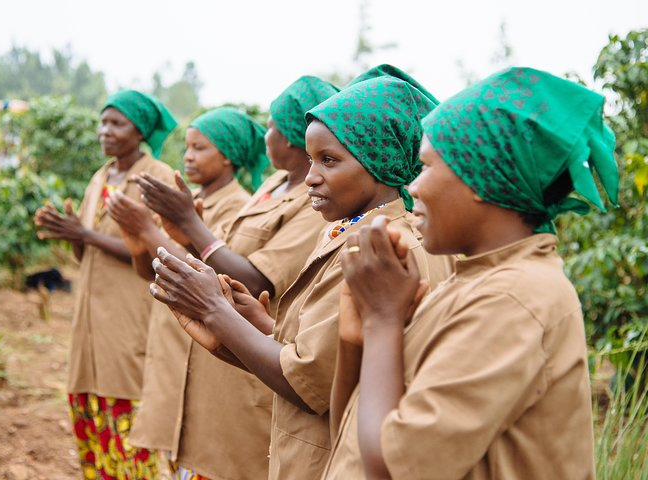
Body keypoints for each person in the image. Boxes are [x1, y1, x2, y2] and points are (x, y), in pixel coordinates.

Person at [150, 66, 454, 479]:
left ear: (378, 160)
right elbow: (328, 355)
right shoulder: (355, 230)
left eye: (329, 160)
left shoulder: (381, 248)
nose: (310, 177)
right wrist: (260, 323)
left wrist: (214, 311)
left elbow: (307, 381)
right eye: (312, 159)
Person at [323, 67, 619, 479]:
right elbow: (351, 439)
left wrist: (384, 321)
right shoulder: (471, 282)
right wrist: (357, 337)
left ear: (479, 177)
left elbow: (394, 465)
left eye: (426, 166)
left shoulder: (513, 298)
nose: (416, 186)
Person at [131, 78, 338, 480]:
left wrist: (187, 223)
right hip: (229, 356)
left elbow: (257, 277)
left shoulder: (313, 204)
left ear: (296, 136)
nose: (267, 136)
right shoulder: (275, 185)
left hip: (255, 367)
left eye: (275, 126)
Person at [34, 90, 178, 480]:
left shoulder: (158, 177)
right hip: (90, 319)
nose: (105, 131)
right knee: (90, 416)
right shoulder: (101, 177)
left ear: (140, 130)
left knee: (128, 419)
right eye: (103, 122)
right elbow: (87, 250)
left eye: (117, 123)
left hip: (129, 315)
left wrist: (87, 234)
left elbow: (155, 252)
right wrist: (70, 233)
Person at [105, 107, 253, 471]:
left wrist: (151, 231)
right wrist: (138, 236)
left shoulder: (239, 207)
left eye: (199, 148)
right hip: (171, 353)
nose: (187, 156)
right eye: (186, 147)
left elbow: (212, 280)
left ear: (229, 155)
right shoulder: (185, 202)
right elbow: (149, 272)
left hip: (205, 362)